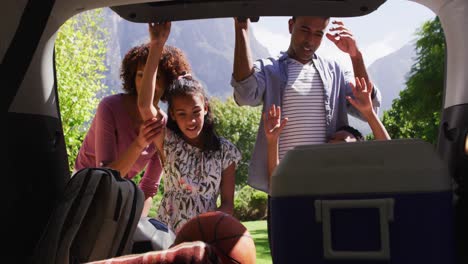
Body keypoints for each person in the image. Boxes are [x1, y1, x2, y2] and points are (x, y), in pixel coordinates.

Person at [232, 16, 382, 193]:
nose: (310, 40)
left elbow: (367, 107)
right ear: (291, 25)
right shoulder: (268, 69)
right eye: (305, 30)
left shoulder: (336, 72)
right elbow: (244, 95)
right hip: (285, 187)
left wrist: (356, 56)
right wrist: (241, 28)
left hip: (331, 185)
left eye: (318, 33)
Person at [138, 21, 242, 232]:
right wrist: (156, 45)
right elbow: (144, 105)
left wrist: (207, 227)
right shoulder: (168, 142)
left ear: (205, 107)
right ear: (174, 116)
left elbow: (228, 204)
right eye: (182, 114)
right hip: (168, 236)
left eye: (195, 112)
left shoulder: (226, 151)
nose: (191, 120)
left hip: (207, 236)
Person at [74, 41, 192, 217]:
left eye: (155, 77)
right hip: (84, 190)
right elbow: (105, 175)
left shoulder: (164, 126)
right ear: (132, 77)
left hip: (116, 198)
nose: (146, 83)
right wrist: (139, 143)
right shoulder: (110, 106)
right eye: (140, 75)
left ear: (168, 82)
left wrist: (137, 223)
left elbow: (149, 186)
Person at [264, 77, 391, 184]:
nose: (335, 143)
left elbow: (389, 153)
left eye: (343, 140)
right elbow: (277, 183)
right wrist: (272, 141)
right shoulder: (317, 178)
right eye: (331, 140)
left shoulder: (366, 174)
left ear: (359, 148)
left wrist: (369, 113)